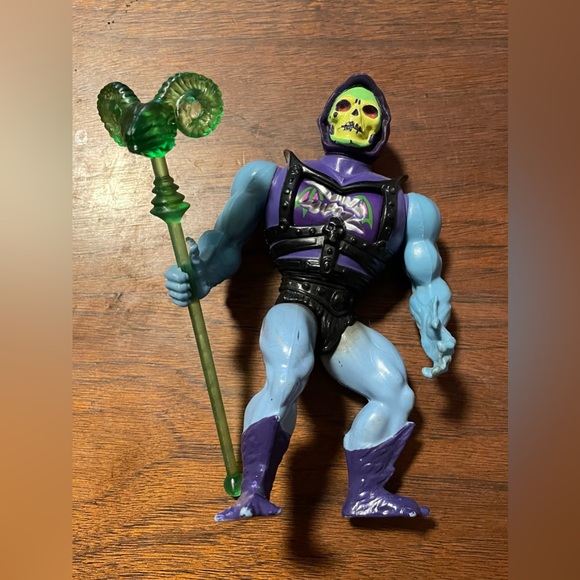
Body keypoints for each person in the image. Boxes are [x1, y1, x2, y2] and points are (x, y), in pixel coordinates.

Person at [165, 73, 455, 521]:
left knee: (395, 392)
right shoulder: (270, 179)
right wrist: (198, 275)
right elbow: (224, 242)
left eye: (367, 111)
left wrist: (435, 329)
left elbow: (427, 279)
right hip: (295, 301)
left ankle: (366, 493)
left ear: (380, 129)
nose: (355, 116)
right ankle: (253, 490)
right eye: (346, 107)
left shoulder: (409, 208)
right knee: (287, 374)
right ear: (327, 119)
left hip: (344, 318)